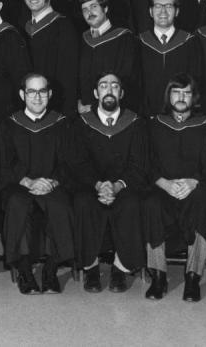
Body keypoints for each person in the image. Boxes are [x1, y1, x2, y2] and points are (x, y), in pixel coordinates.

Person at [0, 73, 76, 295]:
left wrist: (51, 181)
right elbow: (4, 163)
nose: (37, 97)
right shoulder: (9, 124)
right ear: (23, 95)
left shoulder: (62, 124)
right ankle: (24, 270)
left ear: (50, 94)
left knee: (59, 205)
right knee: (17, 204)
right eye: (32, 92)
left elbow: (69, 162)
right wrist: (28, 181)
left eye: (42, 91)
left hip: (53, 183)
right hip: (19, 184)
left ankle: (51, 269)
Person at [142, 73, 206, 302]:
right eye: (176, 92)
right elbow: (146, 162)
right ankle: (158, 276)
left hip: (194, 189)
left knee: (203, 201)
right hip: (163, 189)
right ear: (169, 96)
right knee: (150, 204)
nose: (181, 97)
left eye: (187, 92)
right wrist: (164, 183)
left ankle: (193, 277)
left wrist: (193, 182)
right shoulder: (154, 125)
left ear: (194, 97)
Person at [73, 72, 147, 293]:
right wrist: (98, 185)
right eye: (103, 86)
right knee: (83, 203)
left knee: (131, 204)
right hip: (91, 185)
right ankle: (91, 269)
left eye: (115, 86)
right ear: (96, 93)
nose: (109, 90)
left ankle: (120, 268)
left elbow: (139, 165)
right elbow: (78, 162)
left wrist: (116, 186)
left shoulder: (135, 123)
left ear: (121, 93)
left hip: (124, 186)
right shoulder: (82, 123)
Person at [137, 0, 203, 116]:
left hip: (181, 115)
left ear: (177, 11)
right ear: (150, 11)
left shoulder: (189, 42)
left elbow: (195, 81)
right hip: (146, 115)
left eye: (168, 6)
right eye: (157, 6)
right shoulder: (139, 42)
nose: (163, 11)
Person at [22, 0, 79, 117]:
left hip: (56, 109)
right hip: (30, 108)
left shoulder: (63, 26)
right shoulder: (25, 28)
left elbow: (69, 76)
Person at [76, 0, 138, 113]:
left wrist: (96, 107)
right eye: (85, 9)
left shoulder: (124, 38)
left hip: (114, 109)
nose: (89, 12)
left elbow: (127, 78)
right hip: (85, 111)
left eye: (94, 7)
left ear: (105, 9)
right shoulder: (83, 39)